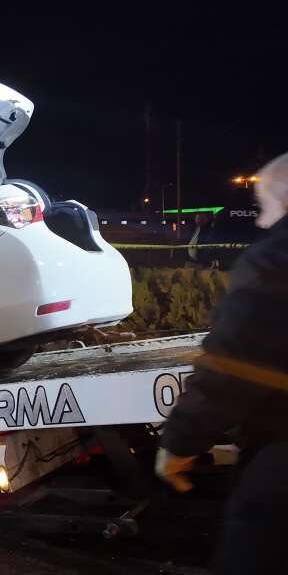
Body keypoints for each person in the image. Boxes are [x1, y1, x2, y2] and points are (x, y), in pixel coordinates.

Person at [156, 152, 288, 574]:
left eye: (265, 207)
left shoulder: (275, 262)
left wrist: (180, 443)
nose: (262, 222)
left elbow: (233, 366)